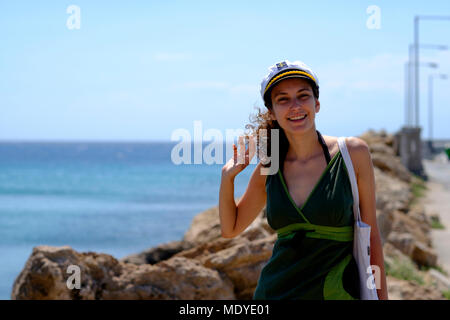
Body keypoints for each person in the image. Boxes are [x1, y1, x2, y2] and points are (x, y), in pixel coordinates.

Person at [219, 60, 388, 300]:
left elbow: (371, 237)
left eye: (303, 96)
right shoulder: (270, 165)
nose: (295, 106)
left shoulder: (352, 154)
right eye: (283, 99)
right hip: (274, 293)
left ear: (316, 104)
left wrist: (381, 297)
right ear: (272, 112)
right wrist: (228, 178)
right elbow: (230, 229)